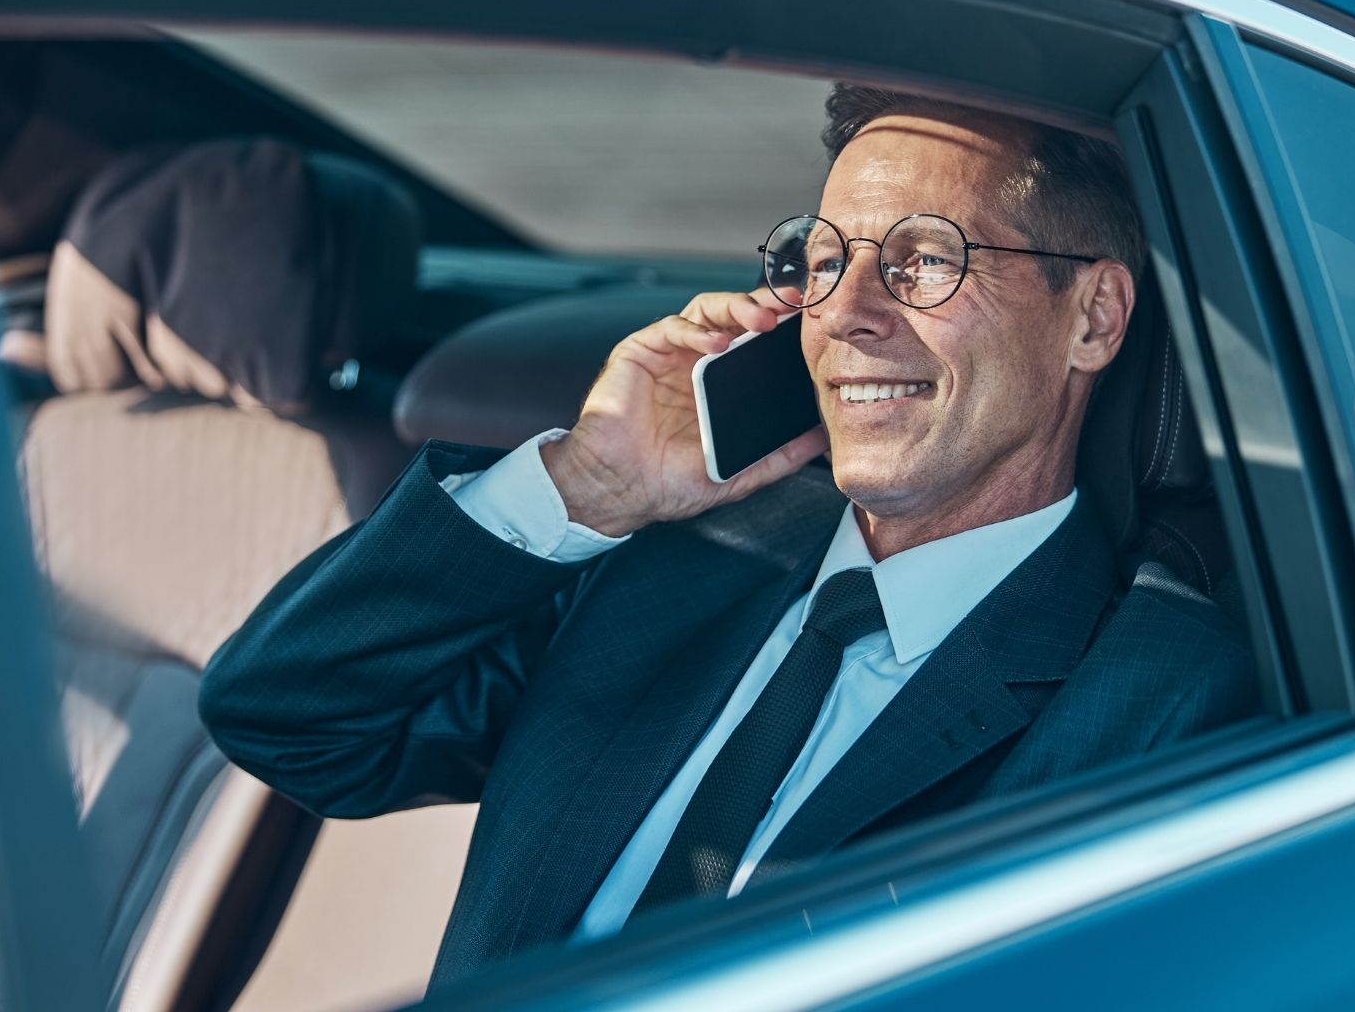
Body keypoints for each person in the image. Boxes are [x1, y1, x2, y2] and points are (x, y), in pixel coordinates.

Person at [197, 85, 1258, 984]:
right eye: (825, 257)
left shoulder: (1155, 697)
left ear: (1095, 318)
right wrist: (587, 485)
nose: (846, 312)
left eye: (927, 261)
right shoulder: (676, 565)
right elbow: (286, 714)